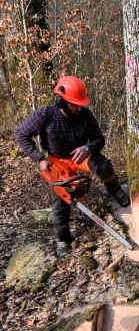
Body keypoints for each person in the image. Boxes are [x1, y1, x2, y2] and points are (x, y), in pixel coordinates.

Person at [15, 76, 130, 256]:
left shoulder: (85, 115)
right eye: (75, 104)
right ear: (62, 101)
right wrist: (39, 158)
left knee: (104, 166)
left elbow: (99, 139)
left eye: (81, 104)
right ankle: (62, 238)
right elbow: (21, 134)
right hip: (58, 160)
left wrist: (87, 147)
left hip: (81, 155)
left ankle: (116, 191)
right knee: (61, 201)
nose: (79, 107)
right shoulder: (45, 115)